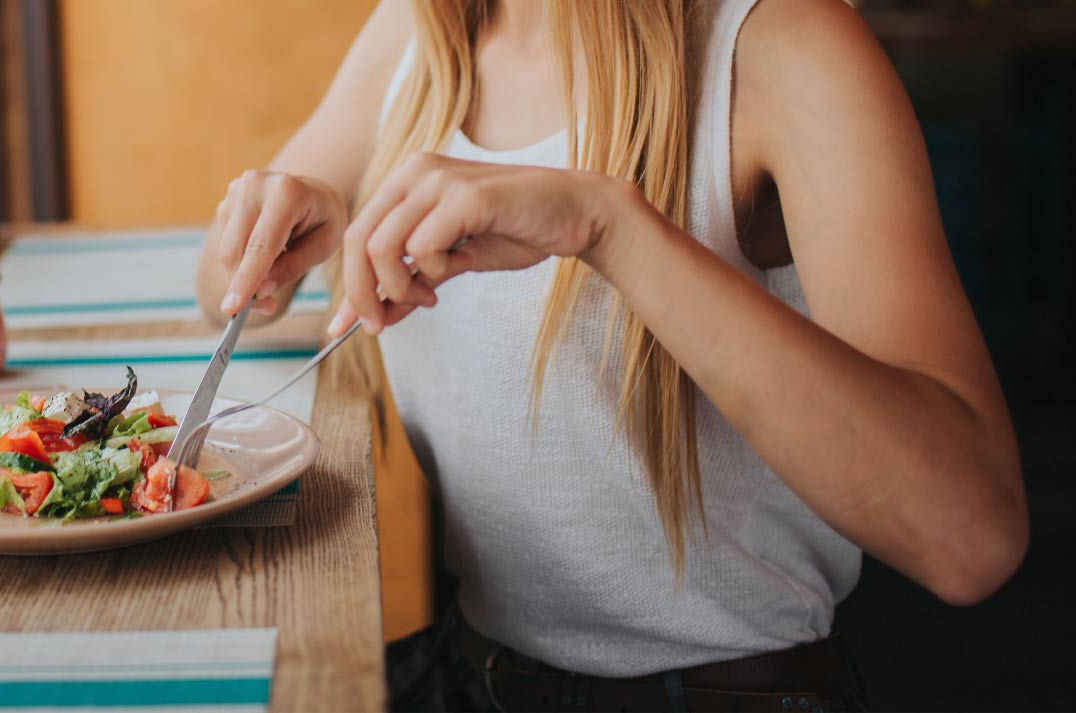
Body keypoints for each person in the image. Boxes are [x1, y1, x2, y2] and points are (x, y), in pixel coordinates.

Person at [195, 0, 1027, 710]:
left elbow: (970, 535)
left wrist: (612, 228)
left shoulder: (786, 48)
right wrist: (275, 221)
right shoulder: (418, 35)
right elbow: (221, 291)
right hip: (475, 668)